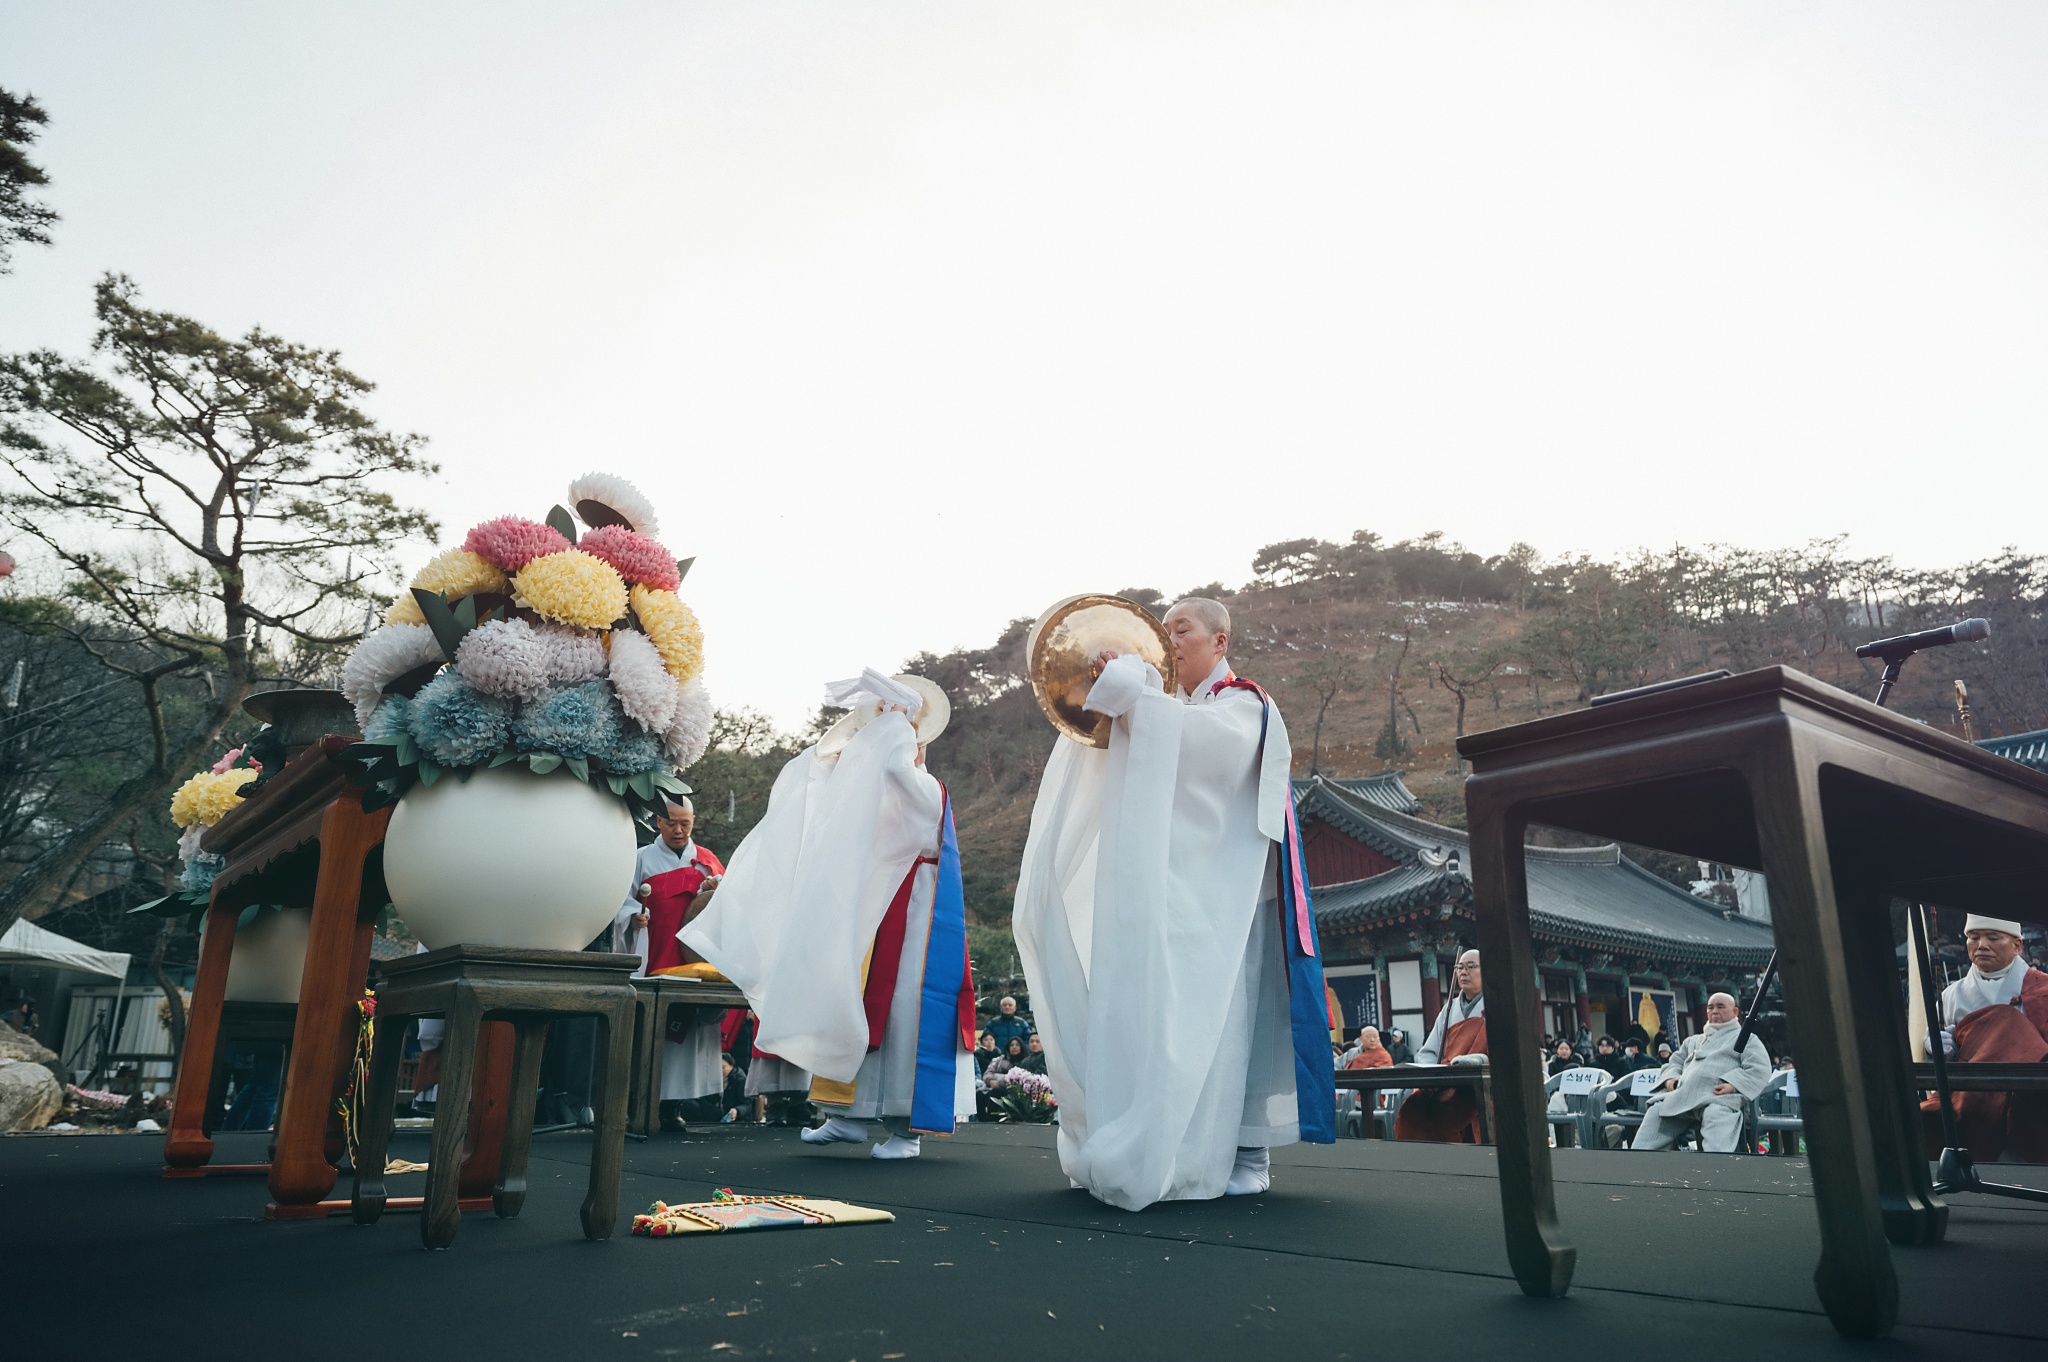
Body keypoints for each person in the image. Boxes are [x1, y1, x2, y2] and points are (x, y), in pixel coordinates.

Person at [1014, 596, 1334, 1209]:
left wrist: (1137, 699)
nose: (1171, 639)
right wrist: (1124, 702)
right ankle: (1185, 1144)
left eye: (1183, 629)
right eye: (1165, 629)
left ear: (1220, 641)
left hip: (1233, 898)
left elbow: (1203, 751)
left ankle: (1249, 1154)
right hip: (1184, 893)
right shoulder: (1174, 708)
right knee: (1174, 1018)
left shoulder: (1244, 704)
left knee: (1234, 1018)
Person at [683, 670, 975, 1161]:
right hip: (876, 914)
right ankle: (847, 1115)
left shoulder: (927, 789)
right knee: (850, 1002)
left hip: (918, 925)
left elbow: (896, 770)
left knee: (906, 1017)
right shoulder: (880, 793)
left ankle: (907, 1129)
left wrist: (894, 726)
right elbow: (830, 796)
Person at [612, 797, 729, 1129]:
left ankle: (673, 1105)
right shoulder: (640, 859)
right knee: (650, 1033)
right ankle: (641, 1104)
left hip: (693, 961)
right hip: (656, 954)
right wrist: (632, 917)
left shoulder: (708, 861)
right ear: (658, 821)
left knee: (687, 1040)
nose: (679, 830)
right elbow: (620, 900)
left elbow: (730, 906)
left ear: (693, 821)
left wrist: (715, 890)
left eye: (685, 823)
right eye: (672, 823)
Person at [1924, 914, 2048, 1164]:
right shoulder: (1951, 996)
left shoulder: (2043, 989)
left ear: (2017, 945)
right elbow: (1945, 1060)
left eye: (1993, 937)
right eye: (1974, 937)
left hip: (2029, 1107)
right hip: (1971, 1105)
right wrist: (1936, 1049)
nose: (1981, 945)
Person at [1631, 992, 1773, 1153]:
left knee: (1716, 1116)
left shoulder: (1746, 1039)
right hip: (1684, 1095)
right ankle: (1640, 1161)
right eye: (1710, 1007)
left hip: (1719, 1099)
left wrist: (1732, 1085)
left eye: (1720, 1006)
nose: (1715, 1011)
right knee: (1657, 1111)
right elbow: (1674, 1062)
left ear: (1735, 1012)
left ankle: (1715, 1166)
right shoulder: (1693, 1041)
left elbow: (1759, 1068)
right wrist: (1671, 1079)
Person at [1394, 950, 1489, 1142]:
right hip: (1446, 1083)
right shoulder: (1449, 1009)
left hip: (1479, 1084)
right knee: (1413, 1112)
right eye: (1459, 968)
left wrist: (1477, 1061)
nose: (1463, 972)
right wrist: (1429, 1077)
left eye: (1471, 967)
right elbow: (1429, 1051)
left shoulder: (1498, 1005)